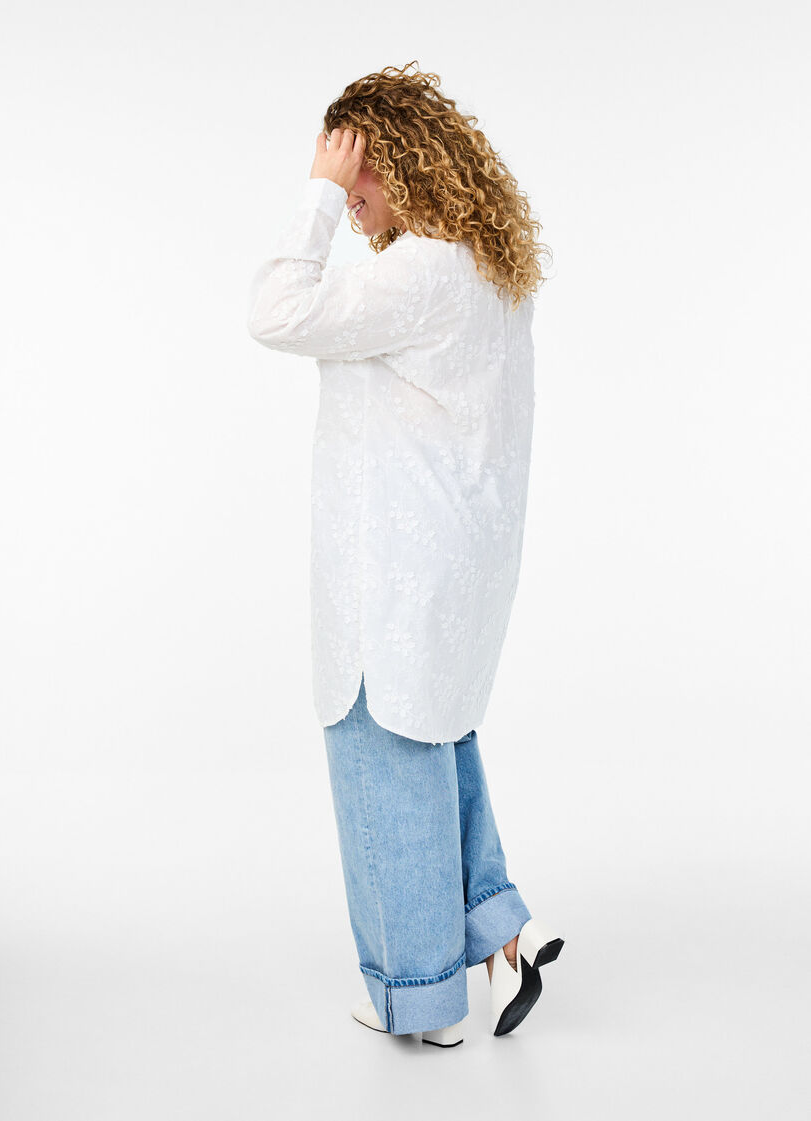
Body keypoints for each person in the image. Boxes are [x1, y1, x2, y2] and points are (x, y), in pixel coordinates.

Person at [247, 61, 563, 1046]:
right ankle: (501, 930)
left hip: (392, 579)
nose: (349, 208)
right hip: (451, 577)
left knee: (383, 769)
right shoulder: (481, 263)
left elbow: (275, 311)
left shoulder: (422, 272)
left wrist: (309, 195)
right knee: (432, 751)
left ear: (391, 163)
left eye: (356, 182)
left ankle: (416, 1000)